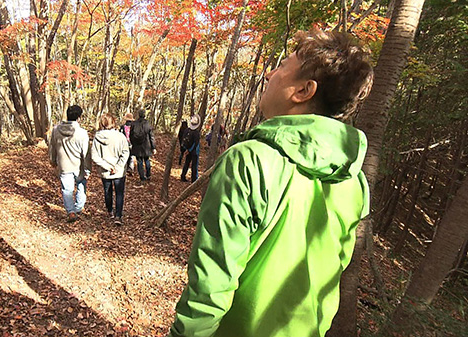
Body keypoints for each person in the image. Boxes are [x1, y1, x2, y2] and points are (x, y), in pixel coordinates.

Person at [168, 29, 374, 337]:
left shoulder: (249, 160)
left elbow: (212, 284)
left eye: (281, 68)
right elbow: (333, 271)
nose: (269, 74)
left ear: (303, 91)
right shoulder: (354, 179)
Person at [49, 105, 91, 223]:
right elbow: (86, 153)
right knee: (81, 187)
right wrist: (88, 169)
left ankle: (71, 211)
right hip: (79, 166)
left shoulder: (56, 130)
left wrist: (52, 160)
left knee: (67, 189)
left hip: (64, 164)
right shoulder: (82, 133)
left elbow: (52, 146)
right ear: (79, 117)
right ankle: (78, 208)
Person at [91, 114, 130, 226]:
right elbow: (125, 152)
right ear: (113, 122)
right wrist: (118, 167)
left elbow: (94, 156)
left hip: (105, 171)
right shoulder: (120, 137)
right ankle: (118, 216)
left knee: (107, 191)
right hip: (119, 171)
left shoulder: (97, 137)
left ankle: (110, 211)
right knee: (119, 193)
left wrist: (106, 166)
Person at [129, 108, 156, 182]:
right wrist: (153, 147)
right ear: (144, 115)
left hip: (137, 146)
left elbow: (130, 135)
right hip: (146, 146)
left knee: (139, 161)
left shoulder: (134, 124)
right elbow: (151, 136)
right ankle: (148, 175)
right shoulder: (147, 124)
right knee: (147, 160)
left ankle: (142, 177)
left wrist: (133, 143)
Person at [180, 114, 201, 183]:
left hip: (187, 150)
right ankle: (194, 179)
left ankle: (183, 176)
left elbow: (183, 139)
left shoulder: (187, 130)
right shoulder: (196, 133)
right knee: (194, 166)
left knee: (186, 163)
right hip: (194, 151)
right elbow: (196, 143)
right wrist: (189, 150)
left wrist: (185, 149)